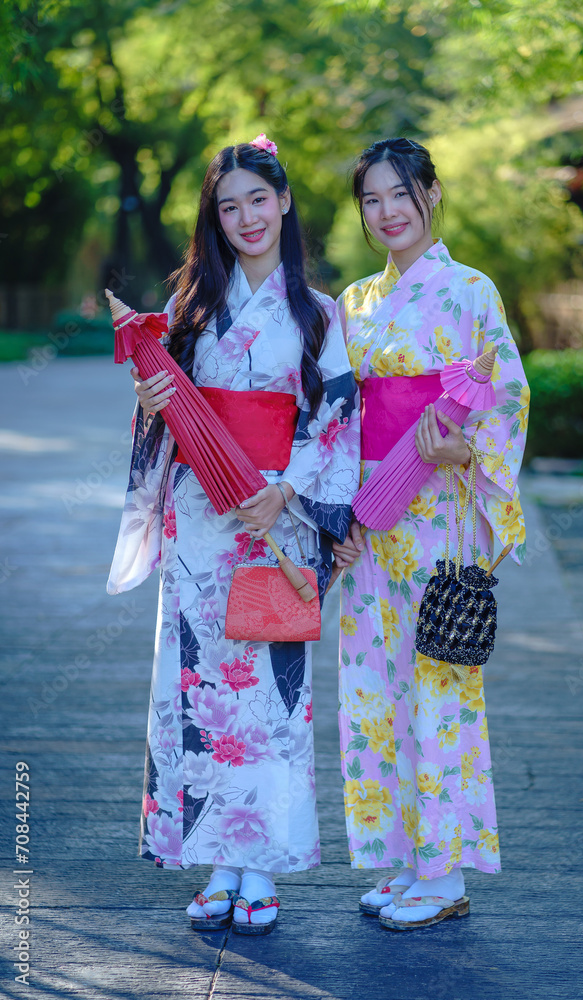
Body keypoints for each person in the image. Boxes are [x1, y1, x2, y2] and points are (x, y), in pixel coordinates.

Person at [107, 135, 359, 935]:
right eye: (229, 206)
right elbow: (166, 414)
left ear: (285, 203)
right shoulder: (191, 312)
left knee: (274, 701)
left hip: (276, 521)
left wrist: (285, 489)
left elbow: (335, 419)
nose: (247, 217)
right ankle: (219, 862)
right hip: (200, 524)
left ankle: (265, 868)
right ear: (213, 220)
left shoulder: (320, 315)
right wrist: (153, 405)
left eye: (260, 199)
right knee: (200, 691)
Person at [332, 137, 529, 931]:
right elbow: (339, 419)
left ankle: (445, 874)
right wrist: (334, 516)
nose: (387, 211)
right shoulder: (353, 303)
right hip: (371, 516)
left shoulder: (470, 291)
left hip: (439, 516)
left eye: (400, 193)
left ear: (431, 194)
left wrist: (465, 451)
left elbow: (505, 399)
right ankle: (410, 859)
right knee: (375, 691)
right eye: (371, 198)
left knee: (439, 687)